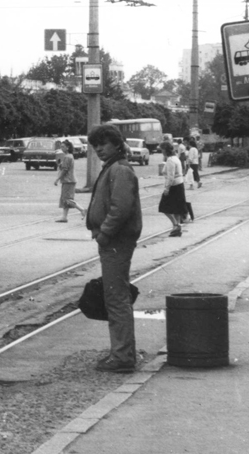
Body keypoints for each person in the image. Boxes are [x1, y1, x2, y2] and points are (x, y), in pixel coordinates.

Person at [85, 123, 143, 373]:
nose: (98, 149)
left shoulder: (119, 170)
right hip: (113, 240)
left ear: (117, 144)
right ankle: (122, 353)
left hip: (116, 241)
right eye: (95, 145)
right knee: (115, 296)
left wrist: (105, 233)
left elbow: (121, 208)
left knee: (116, 298)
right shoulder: (114, 167)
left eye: (103, 144)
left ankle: (122, 357)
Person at [158, 142, 186, 237]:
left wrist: (167, 189)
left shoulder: (170, 160)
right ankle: (177, 228)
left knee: (163, 207)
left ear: (165, 150)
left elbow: (170, 176)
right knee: (176, 208)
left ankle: (176, 224)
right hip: (179, 185)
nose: (161, 151)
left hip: (173, 186)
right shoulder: (176, 158)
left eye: (162, 149)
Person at [53, 140, 81, 221]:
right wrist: (59, 164)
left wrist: (57, 179)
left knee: (67, 199)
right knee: (65, 199)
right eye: (61, 146)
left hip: (68, 180)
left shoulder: (67, 157)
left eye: (63, 146)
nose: (61, 148)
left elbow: (65, 170)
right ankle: (64, 217)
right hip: (69, 180)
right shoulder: (70, 156)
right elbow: (64, 167)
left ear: (67, 148)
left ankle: (82, 210)